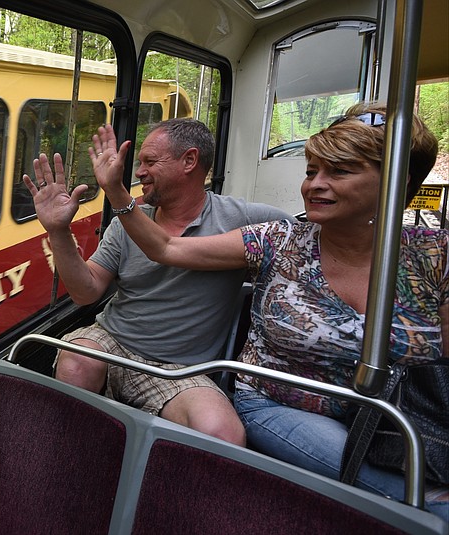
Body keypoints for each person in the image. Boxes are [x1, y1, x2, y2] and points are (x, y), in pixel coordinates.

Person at [86, 103, 448, 519]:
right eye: (312, 172)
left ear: (396, 183)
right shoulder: (279, 240)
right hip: (283, 404)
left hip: (397, 414)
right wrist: (116, 193)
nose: (315, 185)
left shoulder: (434, 255)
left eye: (340, 172)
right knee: (427, 503)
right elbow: (166, 248)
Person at [23, 118, 290, 446]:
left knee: (222, 432)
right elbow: (85, 292)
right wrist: (58, 231)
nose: (138, 172)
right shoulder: (128, 224)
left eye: (150, 162)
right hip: (113, 342)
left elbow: (306, 237)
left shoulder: (242, 219)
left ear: (189, 161)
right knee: (77, 362)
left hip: (177, 369)